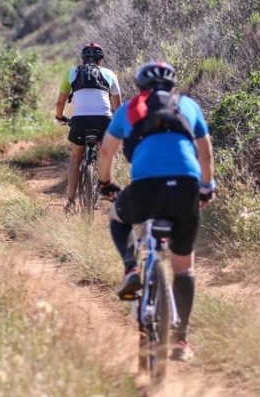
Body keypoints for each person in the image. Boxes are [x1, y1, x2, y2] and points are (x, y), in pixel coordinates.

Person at [96, 61, 215, 362]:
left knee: (118, 216)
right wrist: (206, 186)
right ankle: (181, 340)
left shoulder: (130, 109)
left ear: (140, 86)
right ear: (172, 86)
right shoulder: (188, 105)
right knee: (184, 267)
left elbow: (107, 151)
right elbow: (205, 151)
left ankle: (131, 269)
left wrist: (105, 183)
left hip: (147, 188)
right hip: (185, 187)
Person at [54, 43, 122, 214]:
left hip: (80, 121)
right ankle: (108, 193)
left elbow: (60, 102)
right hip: (103, 120)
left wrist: (59, 117)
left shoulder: (71, 73)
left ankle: (71, 202)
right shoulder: (109, 73)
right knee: (106, 154)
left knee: (76, 157)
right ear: (101, 60)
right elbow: (118, 106)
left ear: (82, 59)